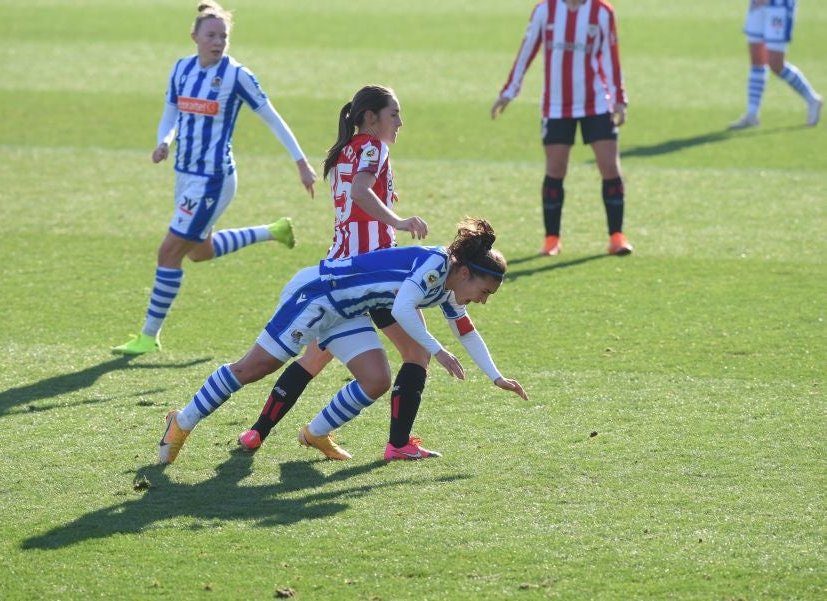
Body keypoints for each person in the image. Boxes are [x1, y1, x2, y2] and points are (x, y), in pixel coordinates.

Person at [158, 218, 529, 464]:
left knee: (376, 380)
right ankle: (182, 420)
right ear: (465, 273)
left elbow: (466, 330)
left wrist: (496, 376)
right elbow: (401, 310)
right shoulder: (435, 267)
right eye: (483, 291)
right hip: (318, 294)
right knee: (255, 367)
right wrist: (438, 351)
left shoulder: (449, 286)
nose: (482, 300)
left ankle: (315, 433)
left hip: (346, 310)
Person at [234, 85, 440, 461]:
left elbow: (357, 197)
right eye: (394, 114)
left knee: (314, 358)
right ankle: (396, 444)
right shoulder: (375, 148)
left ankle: (257, 433)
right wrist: (399, 220)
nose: (400, 122)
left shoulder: (344, 150)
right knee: (417, 354)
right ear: (370, 118)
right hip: (373, 275)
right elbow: (362, 192)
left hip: (336, 271)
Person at [113, 1, 318, 355]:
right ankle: (273, 231)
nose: (218, 41)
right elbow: (171, 114)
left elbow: (272, 118)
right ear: (194, 36)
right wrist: (164, 141)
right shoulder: (181, 70)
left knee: (169, 252)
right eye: (211, 35)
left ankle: (148, 336)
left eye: (223, 36)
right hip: (184, 175)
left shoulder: (237, 75)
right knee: (199, 252)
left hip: (213, 179)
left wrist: (301, 162)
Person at [491, 0, 632, 258]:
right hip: (556, 106)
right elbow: (527, 50)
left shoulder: (602, 11)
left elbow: (612, 56)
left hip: (597, 103)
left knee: (610, 167)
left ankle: (616, 237)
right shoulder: (545, 10)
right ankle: (552, 239)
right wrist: (508, 92)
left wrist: (619, 99)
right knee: (555, 170)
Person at [729, 0, 822, 129]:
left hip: (779, 5)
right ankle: (752, 114)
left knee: (775, 64)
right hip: (757, 4)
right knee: (757, 60)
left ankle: (812, 99)